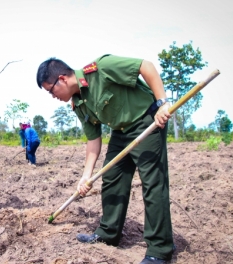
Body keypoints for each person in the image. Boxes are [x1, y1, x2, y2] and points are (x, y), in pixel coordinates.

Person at [36, 55, 174, 264]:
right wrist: (86, 176)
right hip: (120, 131)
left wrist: (162, 102)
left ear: (62, 79)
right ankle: (108, 234)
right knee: (112, 179)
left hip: (146, 121)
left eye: (50, 90)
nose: (52, 96)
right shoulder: (78, 103)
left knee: (153, 183)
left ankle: (159, 249)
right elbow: (93, 140)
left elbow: (146, 66)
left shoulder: (102, 68)